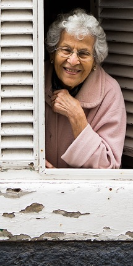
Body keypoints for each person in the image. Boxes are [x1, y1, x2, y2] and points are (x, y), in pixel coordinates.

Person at [45, 9, 126, 169]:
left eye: (83, 54)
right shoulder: (32, 80)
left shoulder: (109, 92)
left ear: (95, 61)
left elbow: (108, 168)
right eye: (66, 50)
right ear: (52, 54)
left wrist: (77, 116)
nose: (73, 61)